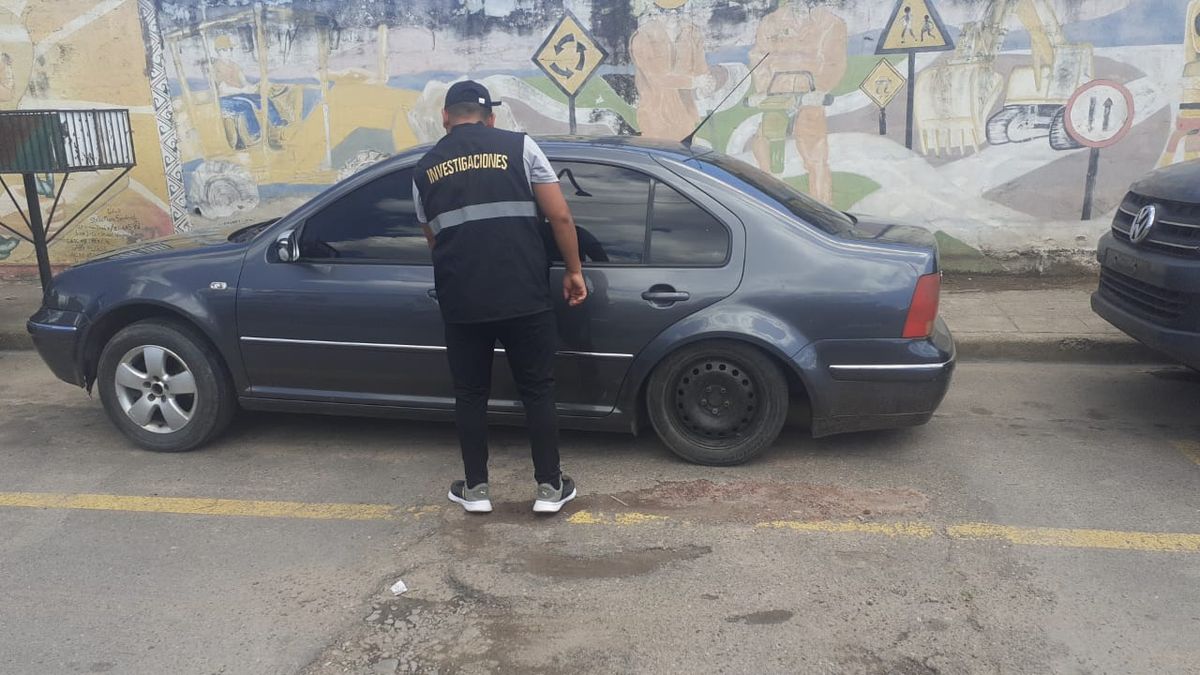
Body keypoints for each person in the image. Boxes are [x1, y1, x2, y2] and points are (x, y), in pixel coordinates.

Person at [412, 81, 588, 515]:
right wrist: (573, 270)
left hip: (462, 298)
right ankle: (549, 487)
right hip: (523, 293)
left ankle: (475, 490)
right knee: (537, 389)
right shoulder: (521, 147)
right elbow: (560, 216)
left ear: (445, 117)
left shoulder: (423, 169)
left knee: (470, 393)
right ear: (490, 118)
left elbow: (434, 238)